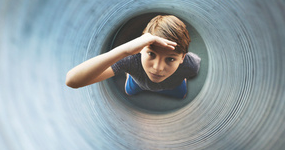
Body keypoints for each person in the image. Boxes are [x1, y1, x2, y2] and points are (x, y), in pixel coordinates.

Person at [66, 15, 201, 99]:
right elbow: (72, 80)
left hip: (173, 86)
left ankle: (178, 79)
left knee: (181, 94)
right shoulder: (131, 60)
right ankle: (129, 76)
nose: (157, 67)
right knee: (130, 91)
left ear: (182, 58)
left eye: (170, 59)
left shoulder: (191, 64)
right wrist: (125, 50)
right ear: (141, 49)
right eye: (151, 54)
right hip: (138, 83)